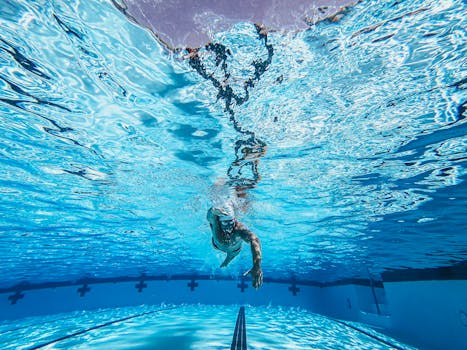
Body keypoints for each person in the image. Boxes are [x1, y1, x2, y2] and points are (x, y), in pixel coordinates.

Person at [207, 206, 263, 289]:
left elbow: (254, 239)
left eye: (231, 222)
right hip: (217, 246)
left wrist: (257, 266)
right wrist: (212, 210)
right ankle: (226, 261)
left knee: (231, 255)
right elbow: (210, 216)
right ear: (220, 222)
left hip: (233, 251)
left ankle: (226, 261)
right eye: (226, 223)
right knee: (223, 244)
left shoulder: (239, 229)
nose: (229, 226)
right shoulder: (216, 223)